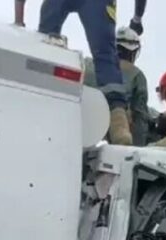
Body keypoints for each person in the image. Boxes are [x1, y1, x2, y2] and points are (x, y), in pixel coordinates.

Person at [14, 0, 148, 145]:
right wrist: (137, 18)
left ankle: (34, 105)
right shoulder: (136, 76)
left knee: (46, 47)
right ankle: (118, 125)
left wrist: (19, 22)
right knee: (105, 56)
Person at [85, 27, 148, 145]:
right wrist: (139, 149)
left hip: (81, 128)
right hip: (112, 136)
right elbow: (140, 119)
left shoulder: (88, 64)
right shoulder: (137, 75)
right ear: (133, 52)